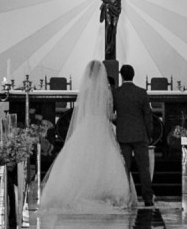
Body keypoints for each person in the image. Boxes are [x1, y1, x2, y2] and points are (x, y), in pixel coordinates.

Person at [38, 61, 137, 213]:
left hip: (87, 124)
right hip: (101, 126)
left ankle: (78, 192)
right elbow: (109, 114)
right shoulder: (106, 92)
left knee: (81, 158)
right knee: (104, 158)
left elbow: (81, 112)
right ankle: (103, 193)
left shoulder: (87, 90)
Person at [112, 63, 157, 208]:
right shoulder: (141, 92)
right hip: (139, 135)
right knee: (144, 169)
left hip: (123, 135)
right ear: (133, 75)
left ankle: (125, 198)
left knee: (124, 169)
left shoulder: (117, 93)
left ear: (121, 76)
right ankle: (147, 198)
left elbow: (111, 113)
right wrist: (149, 134)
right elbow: (148, 116)